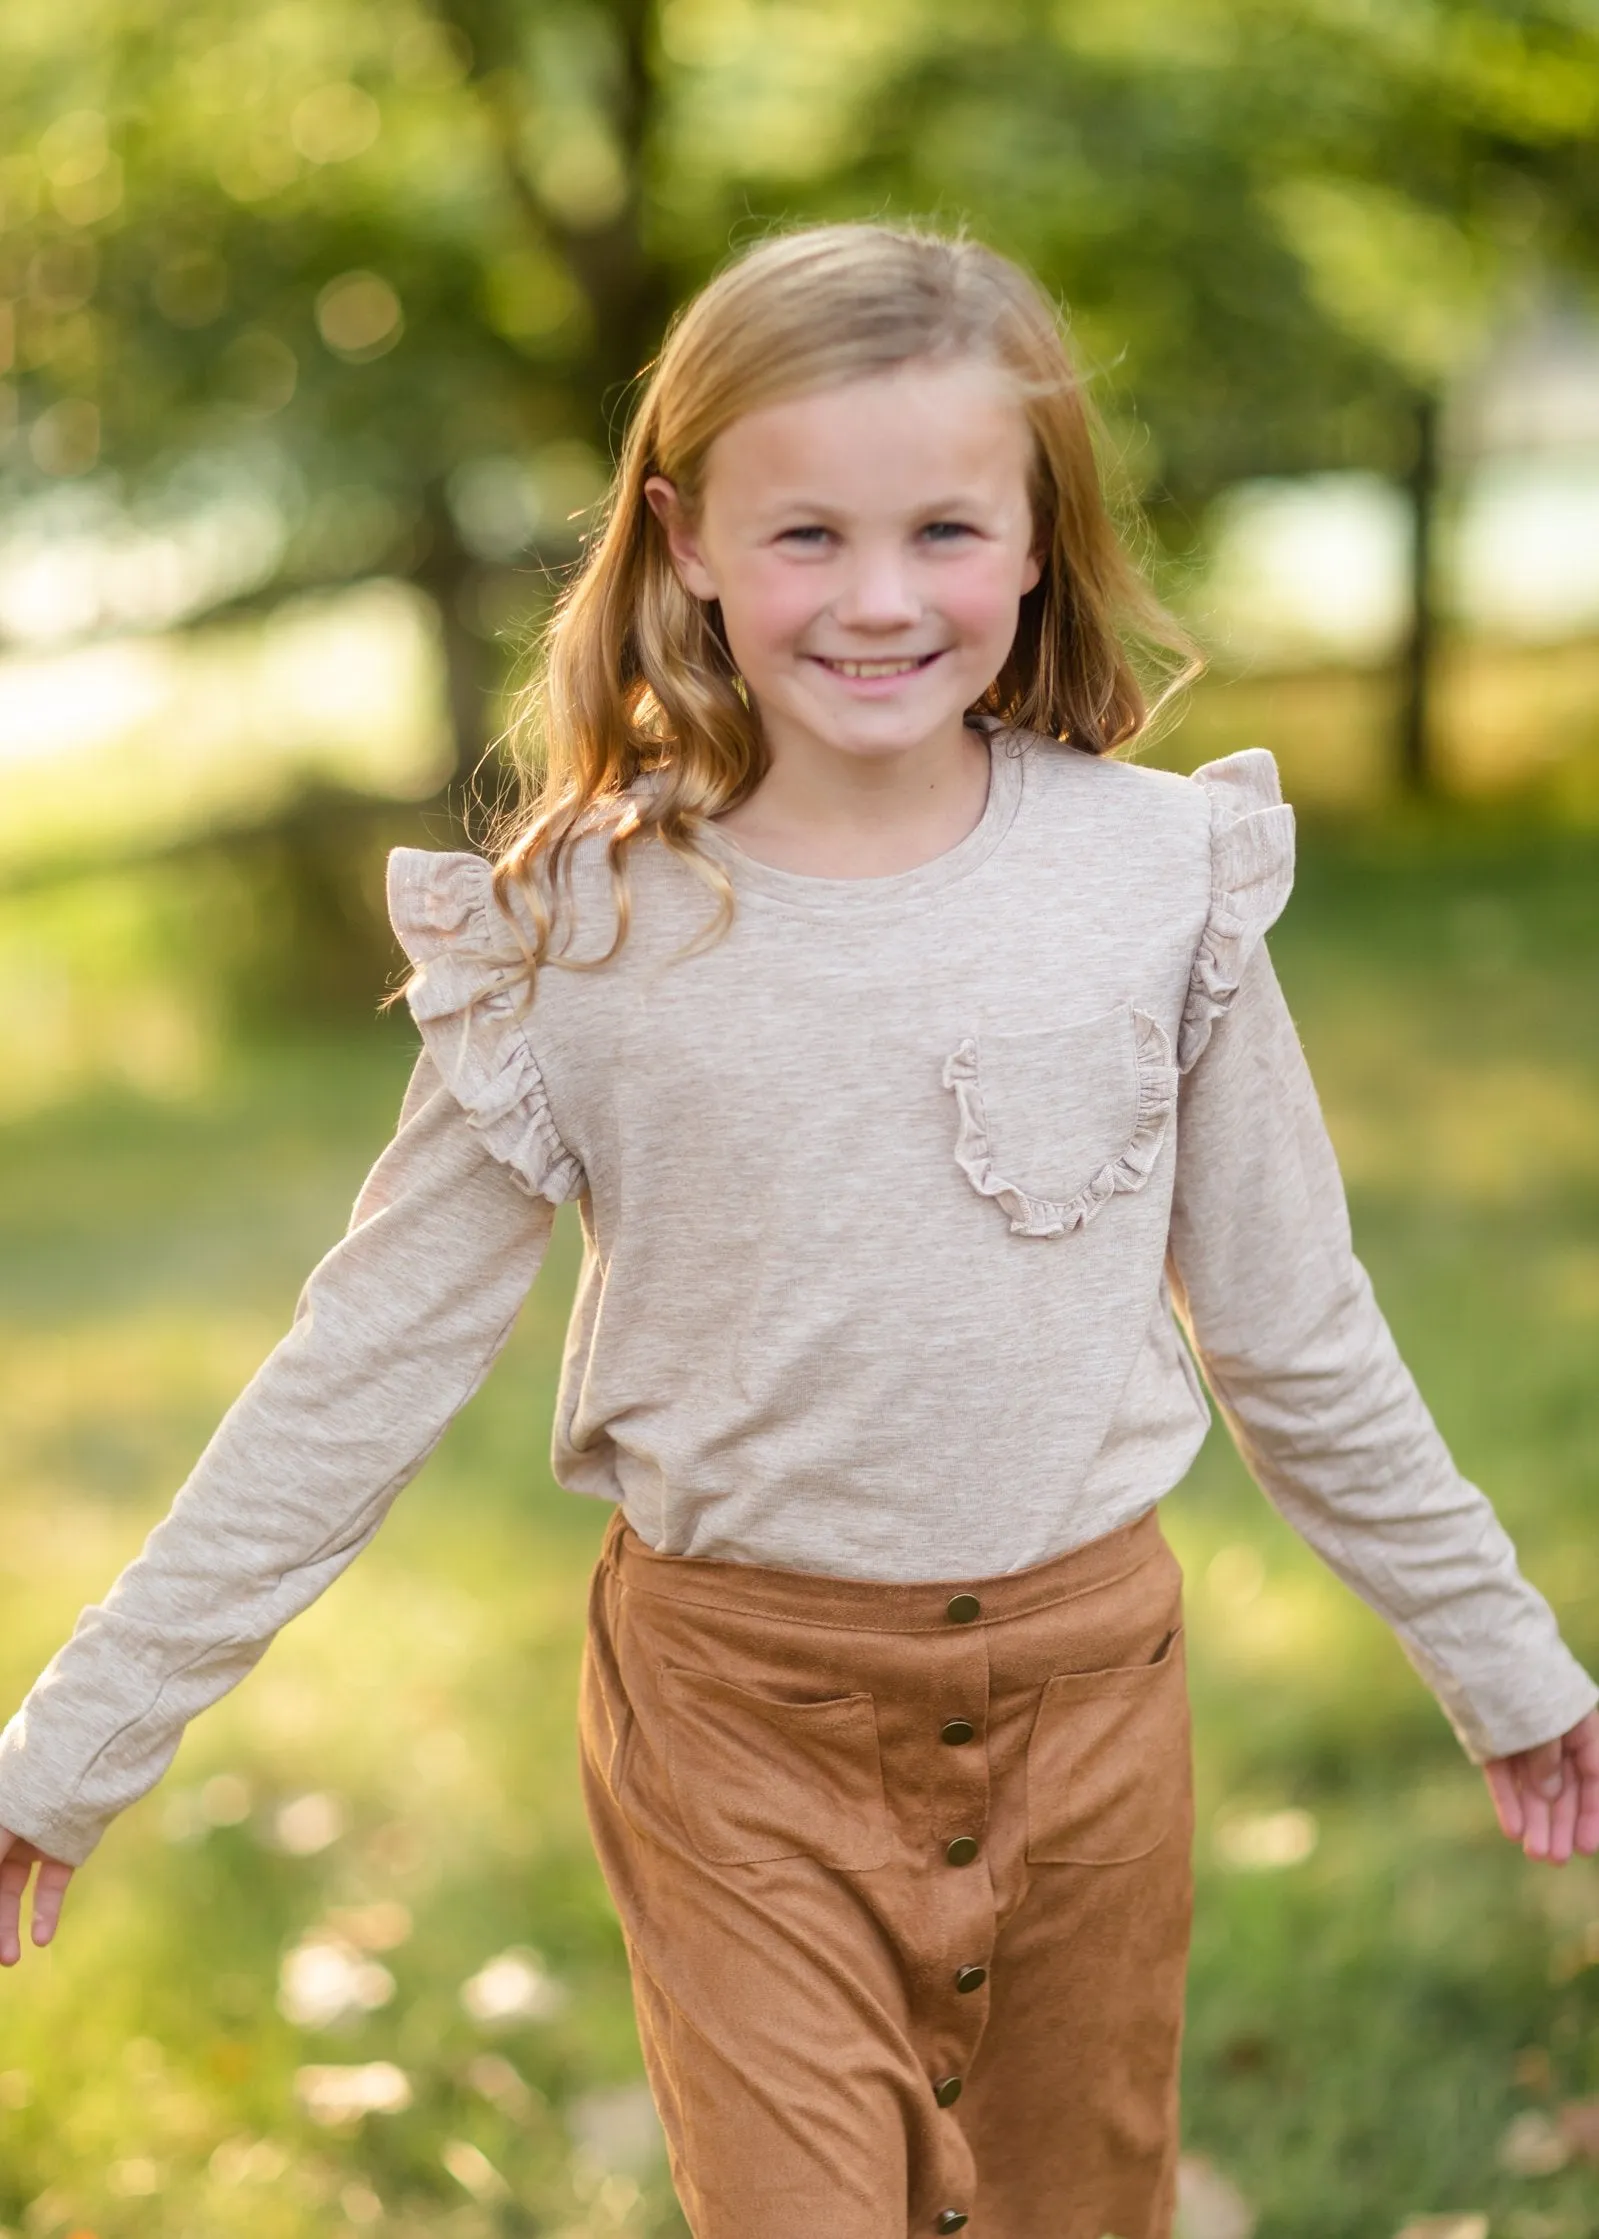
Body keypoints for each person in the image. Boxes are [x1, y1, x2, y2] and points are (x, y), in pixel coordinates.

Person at [1, 223, 1595, 2239]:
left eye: (941, 529)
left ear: (1037, 541)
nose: (875, 599)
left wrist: (1499, 1656)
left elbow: (1292, 1332)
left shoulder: (1150, 878)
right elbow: (362, 1366)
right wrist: (71, 1747)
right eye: (805, 536)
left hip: (1094, 1707)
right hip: (735, 1729)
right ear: (682, 537)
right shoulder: (578, 929)